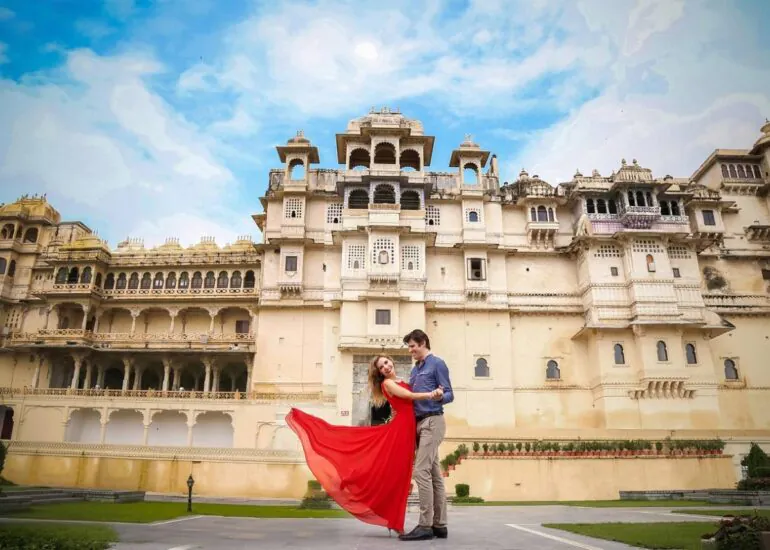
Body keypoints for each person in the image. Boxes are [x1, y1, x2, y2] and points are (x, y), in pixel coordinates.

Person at [285, 354, 442, 535]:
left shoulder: (399, 380)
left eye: (386, 362)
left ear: (391, 361)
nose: (386, 367)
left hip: (408, 430)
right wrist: (431, 394)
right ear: (379, 373)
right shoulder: (388, 384)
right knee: (397, 476)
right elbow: (409, 396)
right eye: (381, 367)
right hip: (400, 432)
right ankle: (387, 514)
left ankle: (395, 520)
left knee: (400, 477)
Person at [399, 328, 454, 542]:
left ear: (422, 343)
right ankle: (440, 525)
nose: (411, 350)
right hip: (420, 424)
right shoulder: (415, 370)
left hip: (433, 421)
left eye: (412, 346)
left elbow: (450, 393)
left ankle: (425, 525)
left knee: (420, 471)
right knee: (434, 475)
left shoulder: (437, 363)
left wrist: (440, 395)